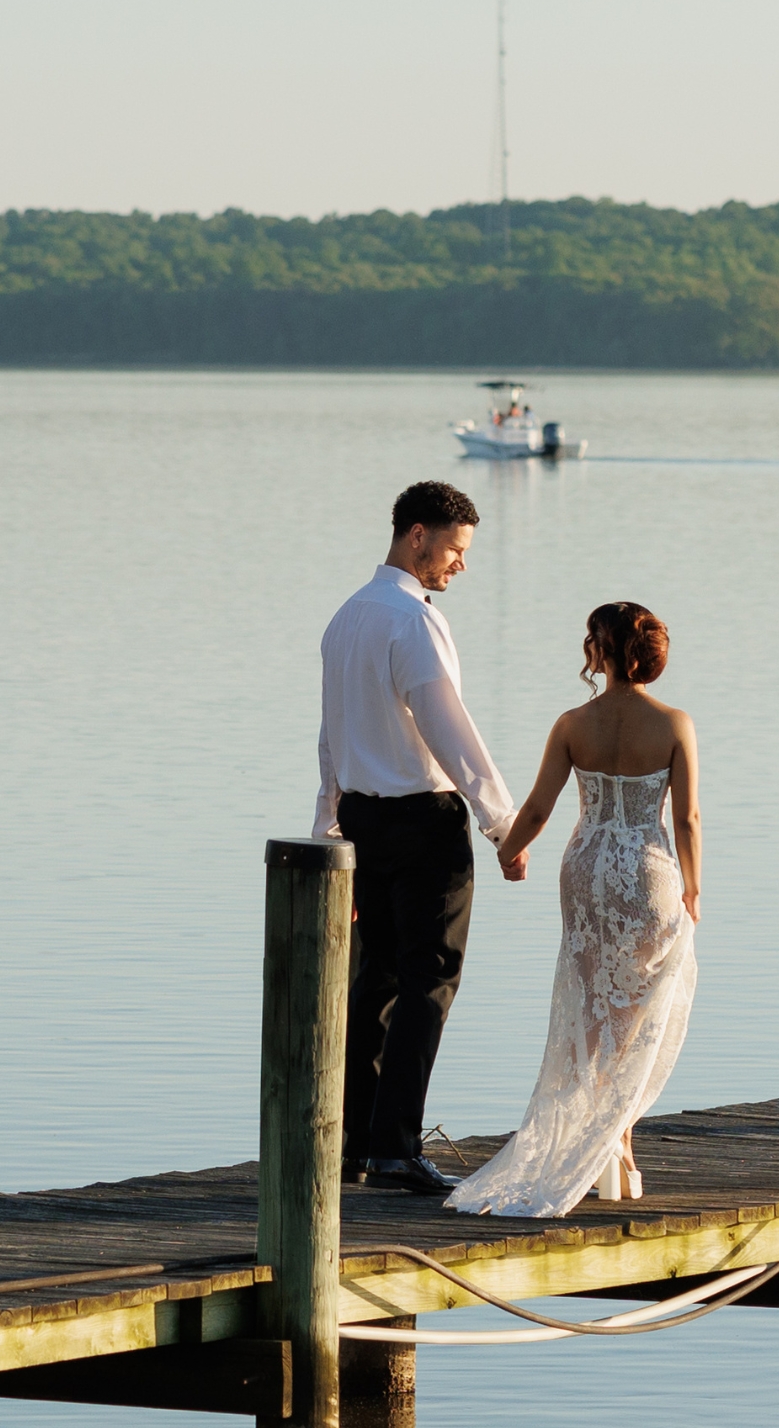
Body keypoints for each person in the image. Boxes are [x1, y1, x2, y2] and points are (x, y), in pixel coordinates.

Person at [445, 601, 701, 1217]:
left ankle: (595, 1147)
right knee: (638, 1010)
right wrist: (694, 887)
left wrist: (510, 853)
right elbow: (687, 818)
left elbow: (536, 809)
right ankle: (619, 1147)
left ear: (602, 652)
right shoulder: (674, 724)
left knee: (588, 1006)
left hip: (586, 868)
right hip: (647, 871)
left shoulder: (571, 723)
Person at [314, 480, 521, 1196]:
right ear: (417, 536)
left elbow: (331, 734)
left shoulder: (346, 618)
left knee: (375, 979)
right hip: (422, 822)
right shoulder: (413, 620)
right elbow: (446, 726)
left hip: (364, 822)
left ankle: (350, 1144)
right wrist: (504, 822)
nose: (459, 565)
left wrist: (328, 826)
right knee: (428, 979)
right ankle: (396, 1145)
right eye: (455, 550)